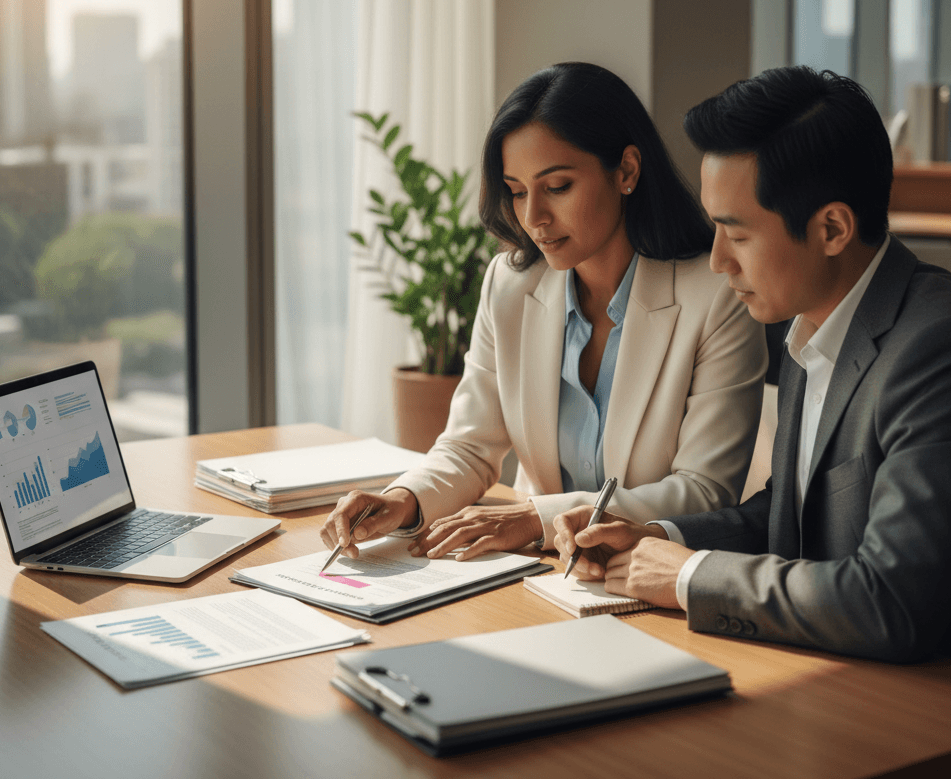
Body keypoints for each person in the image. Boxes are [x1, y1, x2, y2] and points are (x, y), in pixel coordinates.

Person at [553, 66, 951, 675]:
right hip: (835, 681)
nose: (716, 261)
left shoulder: (946, 350)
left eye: (735, 234)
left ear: (832, 229)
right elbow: (792, 514)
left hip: (946, 717)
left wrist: (688, 575)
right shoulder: (811, 323)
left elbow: (892, 603)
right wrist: (659, 537)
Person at [321, 62, 767, 561]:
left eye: (557, 187)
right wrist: (402, 499)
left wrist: (537, 517)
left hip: (644, 576)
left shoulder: (717, 295)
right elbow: (469, 447)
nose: (532, 218)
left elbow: (705, 492)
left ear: (626, 171)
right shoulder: (509, 284)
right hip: (532, 572)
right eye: (516, 191)